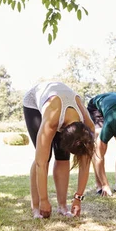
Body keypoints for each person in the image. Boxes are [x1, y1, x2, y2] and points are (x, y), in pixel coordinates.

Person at [23, 82, 95, 218]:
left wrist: (78, 198)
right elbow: (41, 163)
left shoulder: (88, 127)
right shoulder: (51, 121)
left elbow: (85, 164)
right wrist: (44, 200)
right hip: (34, 104)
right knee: (45, 156)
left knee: (63, 158)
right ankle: (36, 208)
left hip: (64, 102)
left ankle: (62, 207)